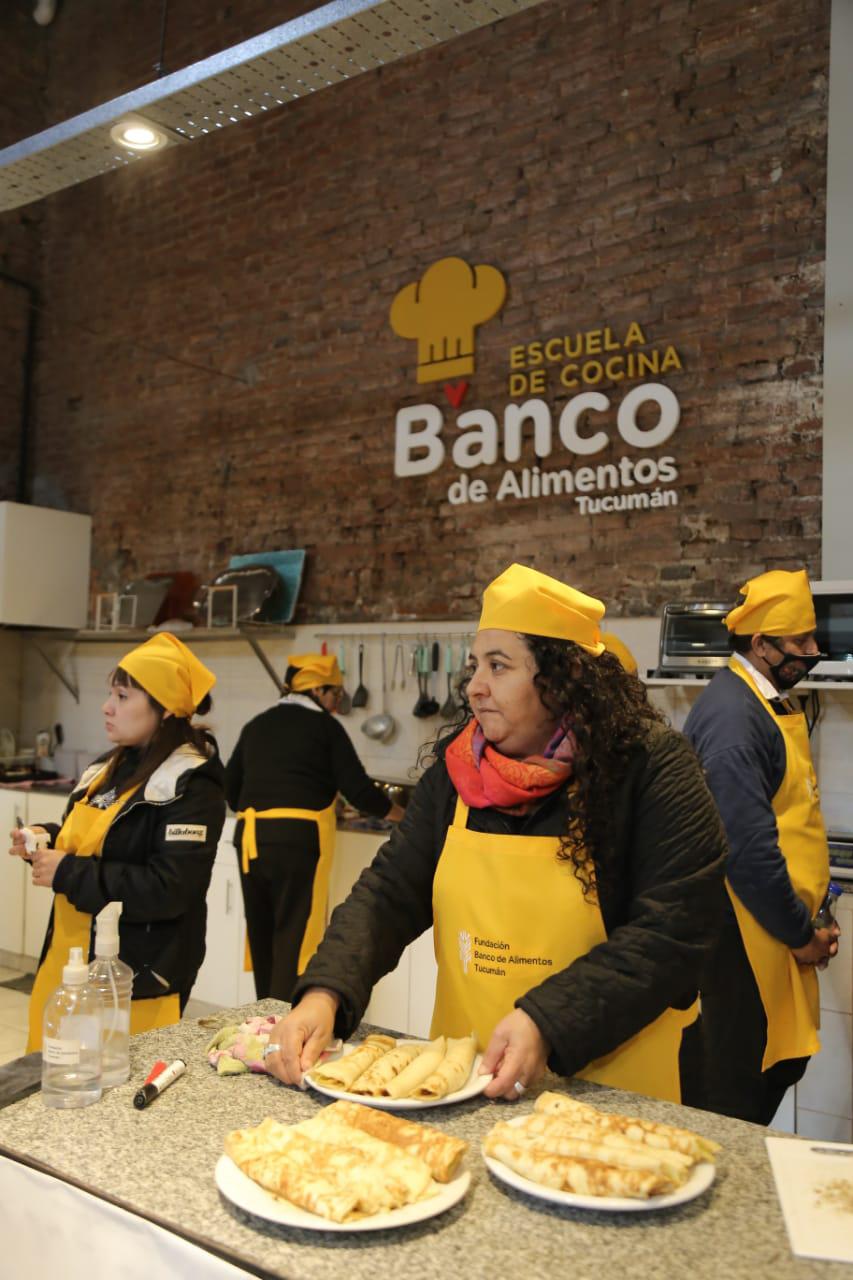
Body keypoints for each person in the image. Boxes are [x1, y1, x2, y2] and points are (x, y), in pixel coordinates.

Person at [265, 565, 727, 1102]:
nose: (475, 686)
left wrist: (547, 1021)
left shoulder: (649, 768)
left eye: (498, 666)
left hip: (609, 1095)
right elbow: (388, 893)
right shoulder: (459, 771)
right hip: (458, 1086)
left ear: (563, 678)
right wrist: (325, 992)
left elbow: (674, 930)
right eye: (475, 666)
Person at [9, 633, 226, 1051]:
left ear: (164, 708)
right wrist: (43, 839)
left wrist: (68, 872)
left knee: (115, 1082)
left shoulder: (193, 784)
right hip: (69, 960)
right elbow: (97, 842)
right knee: (53, 1076)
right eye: (111, 694)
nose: (107, 707)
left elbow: (169, 888)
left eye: (123, 697)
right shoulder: (107, 768)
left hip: (134, 978)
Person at [681, 568, 840, 1124]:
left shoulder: (765, 702)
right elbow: (747, 851)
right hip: (742, 940)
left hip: (771, 931)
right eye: (800, 641)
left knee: (766, 1074)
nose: (812, 652)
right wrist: (800, 933)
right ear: (761, 644)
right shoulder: (733, 717)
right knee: (733, 1097)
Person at [225, 652, 404, 1002]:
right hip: (297, 841)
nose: (337, 704)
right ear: (318, 691)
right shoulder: (325, 728)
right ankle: (284, 1020)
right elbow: (358, 790)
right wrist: (401, 815)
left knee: (262, 934)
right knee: (295, 936)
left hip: (249, 839)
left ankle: (262, 1016)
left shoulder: (257, 724)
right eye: (335, 694)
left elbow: (231, 790)